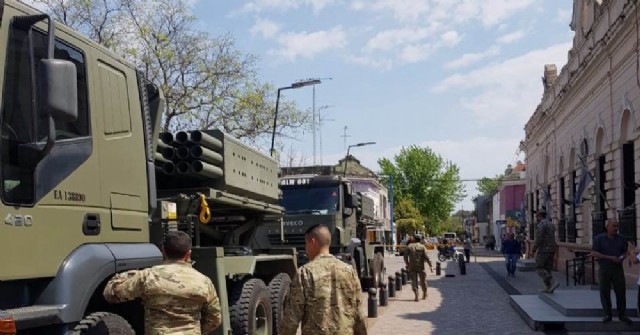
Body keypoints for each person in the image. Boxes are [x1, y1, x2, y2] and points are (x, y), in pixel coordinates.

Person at [103, 231, 222, 335]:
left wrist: (125, 275)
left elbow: (111, 294)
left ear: (163, 251)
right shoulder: (204, 281)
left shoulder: (148, 276)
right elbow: (215, 318)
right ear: (188, 254)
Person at [280, 224, 367, 335]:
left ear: (312, 242)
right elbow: (360, 314)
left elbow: (291, 319)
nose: (306, 249)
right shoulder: (349, 271)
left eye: (306, 244)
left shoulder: (305, 273)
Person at [591, 219, 632, 325]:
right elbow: (594, 252)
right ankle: (607, 314)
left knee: (621, 291)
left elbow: (625, 252)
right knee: (604, 291)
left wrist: (621, 258)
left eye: (617, 226)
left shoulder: (621, 239)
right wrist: (609, 257)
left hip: (617, 268)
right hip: (604, 268)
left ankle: (622, 314)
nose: (615, 228)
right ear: (607, 227)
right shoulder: (599, 239)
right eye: (613, 226)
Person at [531, 210, 559, 293]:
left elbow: (539, 238)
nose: (536, 218)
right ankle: (549, 287)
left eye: (537, 216)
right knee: (547, 268)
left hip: (544, 249)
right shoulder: (551, 224)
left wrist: (533, 249)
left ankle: (552, 281)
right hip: (551, 249)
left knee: (538, 267)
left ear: (540, 216)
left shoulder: (541, 225)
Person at [404, 234, 434, 301]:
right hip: (421, 266)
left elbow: (405, 256)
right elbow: (427, 257)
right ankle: (424, 293)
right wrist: (430, 266)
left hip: (412, 266)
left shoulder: (409, 246)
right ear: (420, 239)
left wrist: (407, 263)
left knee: (414, 281)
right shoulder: (422, 247)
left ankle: (416, 295)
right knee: (423, 281)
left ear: (414, 239)